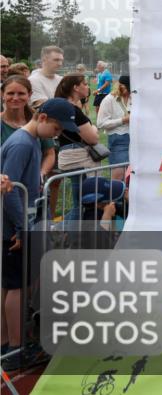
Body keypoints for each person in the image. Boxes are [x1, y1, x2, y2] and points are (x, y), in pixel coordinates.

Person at [1, 98, 77, 371]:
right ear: (42, 118)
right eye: (56, 129)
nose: (57, 135)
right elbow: (10, 190)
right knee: (16, 286)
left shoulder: (30, 141)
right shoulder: (22, 144)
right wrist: (22, 228)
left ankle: (9, 343)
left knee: (11, 284)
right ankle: (14, 347)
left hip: (18, 222)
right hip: (13, 225)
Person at [54, 75, 101, 215]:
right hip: (78, 158)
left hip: (67, 154)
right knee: (81, 205)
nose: (88, 87)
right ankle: (61, 231)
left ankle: (63, 230)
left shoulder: (62, 106)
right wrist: (94, 129)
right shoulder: (72, 110)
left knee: (79, 203)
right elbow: (92, 139)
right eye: (85, 84)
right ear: (75, 87)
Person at [2, 76, 57, 179]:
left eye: (21, 93)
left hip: (31, 187)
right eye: (10, 93)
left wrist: (41, 174)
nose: (15, 98)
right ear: (2, 94)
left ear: (30, 95)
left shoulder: (38, 123)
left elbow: (49, 153)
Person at [96, 75, 130, 180]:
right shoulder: (109, 99)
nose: (128, 92)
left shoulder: (136, 98)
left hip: (137, 139)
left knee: (133, 175)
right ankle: (117, 196)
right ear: (119, 86)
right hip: (118, 139)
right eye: (126, 88)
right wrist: (123, 120)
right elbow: (101, 123)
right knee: (118, 176)